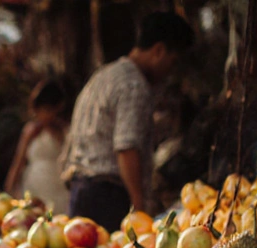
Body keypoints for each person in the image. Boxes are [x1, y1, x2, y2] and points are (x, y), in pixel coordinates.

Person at [64, 11, 193, 229]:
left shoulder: (103, 75)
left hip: (81, 191)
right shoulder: (134, 85)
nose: (170, 71)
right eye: (173, 61)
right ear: (159, 50)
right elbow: (126, 147)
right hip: (108, 197)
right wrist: (139, 205)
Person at [5, 80, 71, 213]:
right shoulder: (31, 131)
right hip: (35, 184)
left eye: (49, 110)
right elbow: (19, 161)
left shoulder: (64, 130)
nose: (45, 115)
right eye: (42, 110)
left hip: (58, 184)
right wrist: (9, 188)